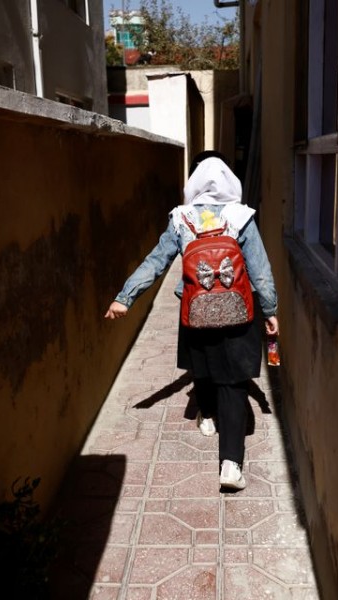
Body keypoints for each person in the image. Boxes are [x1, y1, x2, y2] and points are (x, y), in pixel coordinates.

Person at [104, 151, 279, 490]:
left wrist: (124, 297)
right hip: (238, 314)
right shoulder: (242, 218)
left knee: (202, 366)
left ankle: (207, 416)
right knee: (233, 383)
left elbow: (155, 262)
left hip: (195, 311)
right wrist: (270, 311)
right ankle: (230, 465)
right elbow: (261, 271)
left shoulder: (180, 219)